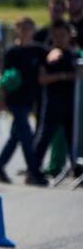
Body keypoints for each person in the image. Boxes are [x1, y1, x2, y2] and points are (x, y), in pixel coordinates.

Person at [0, 18, 45, 183]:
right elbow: (3, 76)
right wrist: (2, 100)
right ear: (17, 30)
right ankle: (34, 171)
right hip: (15, 100)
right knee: (26, 136)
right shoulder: (11, 51)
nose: (25, 31)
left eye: (29, 28)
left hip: (29, 99)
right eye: (22, 28)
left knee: (15, 136)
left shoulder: (37, 50)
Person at [31, 20, 79, 185]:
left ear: (69, 36)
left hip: (71, 104)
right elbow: (42, 78)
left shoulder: (75, 55)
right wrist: (62, 76)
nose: (59, 39)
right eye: (56, 36)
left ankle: (77, 170)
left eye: (63, 35)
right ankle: (34, 170)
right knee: (44, 136)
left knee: (75, 138)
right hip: (53, 102)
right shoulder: (49, 55)